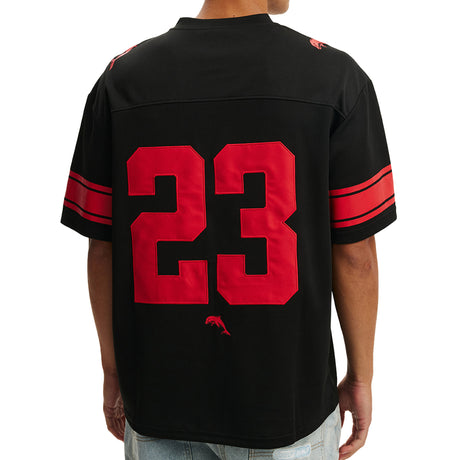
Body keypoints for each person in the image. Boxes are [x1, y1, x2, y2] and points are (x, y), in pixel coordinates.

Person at [60, 0, 397, 459]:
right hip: (286, 407)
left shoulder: (121, 81)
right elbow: (355, 255)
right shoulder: (336, 78)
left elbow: (103, 248)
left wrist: (113, 369)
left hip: (159, 397)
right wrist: (361, 377)